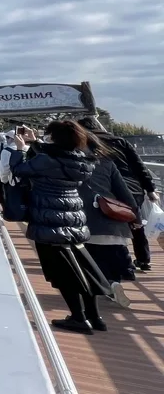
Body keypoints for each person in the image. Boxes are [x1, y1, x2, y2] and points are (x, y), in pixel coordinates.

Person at [11, 120, 110, 334]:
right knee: (83, 268)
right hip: (74, 217)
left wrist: (19, 150)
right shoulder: (82, 160)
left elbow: (19, 170)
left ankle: (78, 318)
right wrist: (35, 141)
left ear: (55, 138)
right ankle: (95, 317)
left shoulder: (48, 160)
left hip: (49, 219)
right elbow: (55, 156)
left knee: (63, 273)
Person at [79, 117, 160, 271]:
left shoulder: (85, 143)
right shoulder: (120, 141)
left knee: (113, 221)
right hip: (133, 188)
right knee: (135, 222)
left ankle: (120, 261)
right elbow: (139, 166)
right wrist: (150, 189)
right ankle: (143, 259)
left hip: (105, 188)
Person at [79, 137, 138, 306]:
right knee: (114, 257)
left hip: (88, 221)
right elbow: (124, 192)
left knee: (95, 261)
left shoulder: (71, 163)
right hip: (113, 217)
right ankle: (115, 284)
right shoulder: (107, 163)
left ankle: (111, 286)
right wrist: (135, 217)